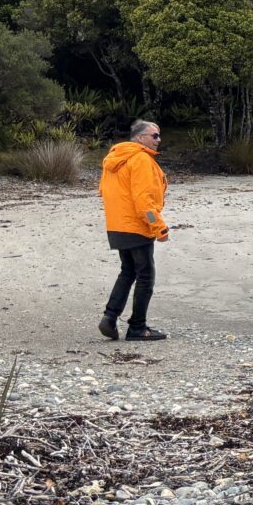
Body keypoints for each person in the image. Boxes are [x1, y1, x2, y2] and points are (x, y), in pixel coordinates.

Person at [98, 119, 169, 341]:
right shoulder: (140, 159)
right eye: (154, 136)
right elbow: (143, 201)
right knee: (145, 275)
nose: (158, 140)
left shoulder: (115, 158)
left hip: (118, 225)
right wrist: (159, 226)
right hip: (136, 226)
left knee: (128, 271)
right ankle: (138, 327)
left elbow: (103, 191)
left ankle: (109, 318)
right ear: (139, 137)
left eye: (158, 135)